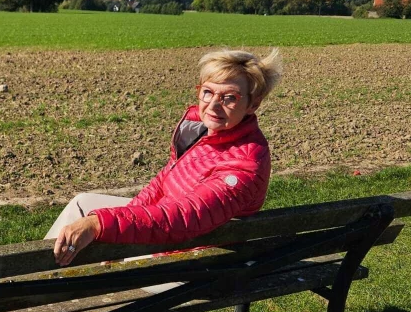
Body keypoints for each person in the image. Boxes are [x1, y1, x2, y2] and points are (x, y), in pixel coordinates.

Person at [47, 49, 283, 267]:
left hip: (191, 261)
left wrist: (100, 224)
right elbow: (161, 184)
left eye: (229, 98)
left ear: (253, 104)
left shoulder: (245, 163)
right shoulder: (204, 133)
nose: (213, 105)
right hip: (171, 237)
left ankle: (41, 288)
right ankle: (41, 275)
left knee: (94, 228)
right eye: (208, 92)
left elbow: (184, 217)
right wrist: (120, 219)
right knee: (82, 204)